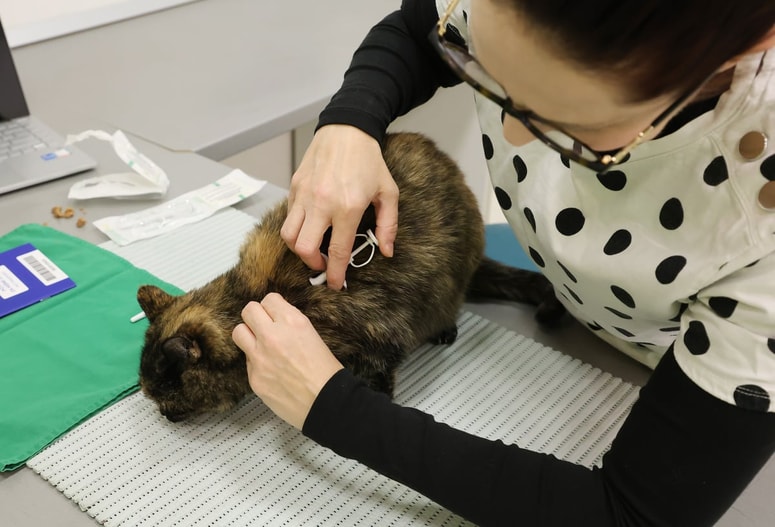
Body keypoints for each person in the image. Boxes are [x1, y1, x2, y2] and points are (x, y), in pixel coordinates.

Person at [231, 0, 775, 524]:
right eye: (487, 73)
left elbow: (628, 514)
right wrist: (349, 125)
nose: (511, 136)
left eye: (565, 124)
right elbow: (416, 29)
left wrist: (338, 411)